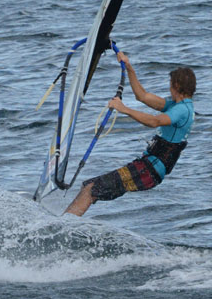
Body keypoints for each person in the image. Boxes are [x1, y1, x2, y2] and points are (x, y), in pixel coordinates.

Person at [64, 53, 196, 216]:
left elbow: (154, 122)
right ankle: (65, 221)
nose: (169, 88)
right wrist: (129, 67)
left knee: (92, 188)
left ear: (176, 85)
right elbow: (142, 96)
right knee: (90, 187)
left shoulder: (182, 110)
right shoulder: (178, 106)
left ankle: (61, 226)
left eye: (170, 84)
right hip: (148, 167)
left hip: (149, 170)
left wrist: (123, 108)